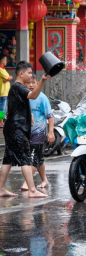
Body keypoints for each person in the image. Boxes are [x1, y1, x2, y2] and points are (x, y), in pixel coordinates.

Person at [0, 62, 51, 198]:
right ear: (21, 74)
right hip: (17, 128)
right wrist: (42, 80)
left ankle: (1, 189)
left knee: (8, 158)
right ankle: (32, 190)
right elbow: (33, 95)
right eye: (29, 73)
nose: (30, 75)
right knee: (25, 159)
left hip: (11, 127)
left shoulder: (16, 88)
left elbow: (17, 107)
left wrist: (30, 115)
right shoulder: (18, 87)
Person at [20, 74, 55, 190]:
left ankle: (27, 182)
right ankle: (44, 180)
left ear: (37, 83)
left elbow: (50, 116)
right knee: (38, 157)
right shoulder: (24, 96)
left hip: (39, 131)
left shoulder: (42, 97)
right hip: (26, 131)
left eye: (33, 82)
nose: (30, 85)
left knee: (33, 157)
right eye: (28, 83)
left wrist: (51, 132)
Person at [0, 54, 12, 128]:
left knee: (3, 108)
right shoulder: (0, 69)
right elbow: (8, 77)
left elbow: (7, 78)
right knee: (2, 108)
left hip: (5, 92)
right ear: (1, 61)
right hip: (2, 92)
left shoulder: (3, 68)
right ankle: (1, 122)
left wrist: (8, 78)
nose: (6, 61)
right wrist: (9, 78)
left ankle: (1, 121)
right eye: (5, 60)